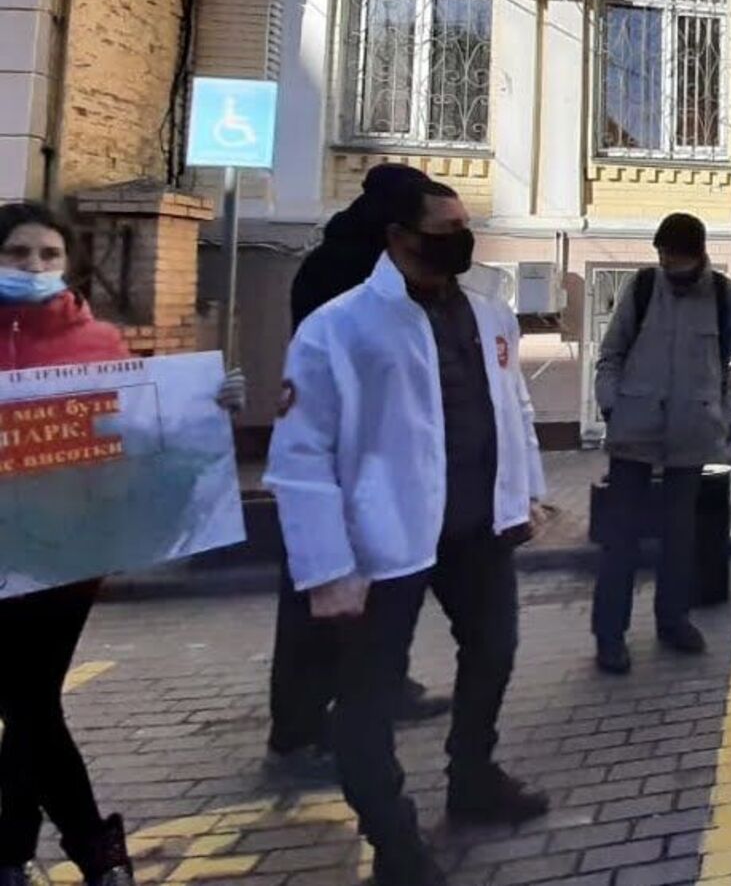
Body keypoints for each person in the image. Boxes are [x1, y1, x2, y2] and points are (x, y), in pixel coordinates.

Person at [266, 180, 550, 886]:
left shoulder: (489, 317)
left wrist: (528, 496)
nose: (462, 235)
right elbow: (300, 454)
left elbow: (514, 409)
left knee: (494, 652)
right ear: (399, 236)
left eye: (465, 223)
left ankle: (474, 777)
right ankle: (394, 841)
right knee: (368, 697)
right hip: (383, 540)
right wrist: (325, 568)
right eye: (446, 226)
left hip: (479, 530)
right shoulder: (341, 327)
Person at [1, 202, 244, 886]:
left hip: (67, 560)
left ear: (68, 265)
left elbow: (142, 427)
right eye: (18, 254)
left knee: (27, 702)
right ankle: (66, 849)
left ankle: (46, 853)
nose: (34, 267)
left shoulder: (97, 341)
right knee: (26, 706)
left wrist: (209, 405)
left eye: (48, 255)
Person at [269, 163, 449, 782]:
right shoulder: (347, 270)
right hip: (339, 465)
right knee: (316, 604)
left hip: (383, 464)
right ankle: (297, 729)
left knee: (381, 601)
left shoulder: (364, 260)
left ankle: (378, 694)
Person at [590, 213, 731, 674]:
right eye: (661, 255)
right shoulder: (640, 288)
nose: (666, 263)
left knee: (681, 537)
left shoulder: (722, 294)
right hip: (633, 433)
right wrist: (612, 407)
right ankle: (609, 636)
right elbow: (610, 355)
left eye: (673, 256)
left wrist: (722, 416)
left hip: (691, 434)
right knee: (622, 541)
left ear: (696, 255)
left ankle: (673, 620)